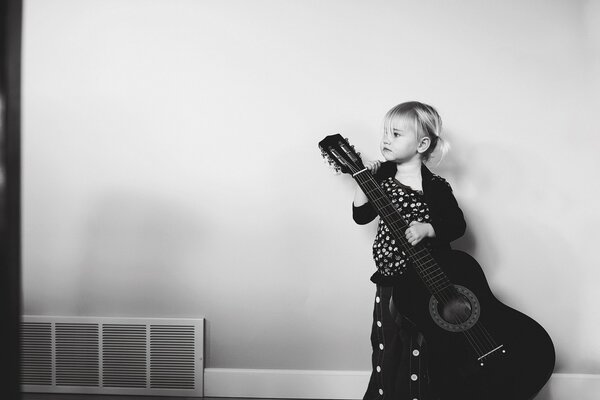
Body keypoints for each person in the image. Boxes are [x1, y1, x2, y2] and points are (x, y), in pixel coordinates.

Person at [353, 101, 466, 400]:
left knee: (423, 343)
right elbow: (361, 216)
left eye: (396, 133)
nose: (386, 139)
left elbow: (456, 225)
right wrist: (362, 183)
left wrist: (428, 228)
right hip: (390, 279)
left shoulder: (437, 187)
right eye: (385, 133)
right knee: (387, 341)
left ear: (422, 143)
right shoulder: (381, 180)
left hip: (428, 283)